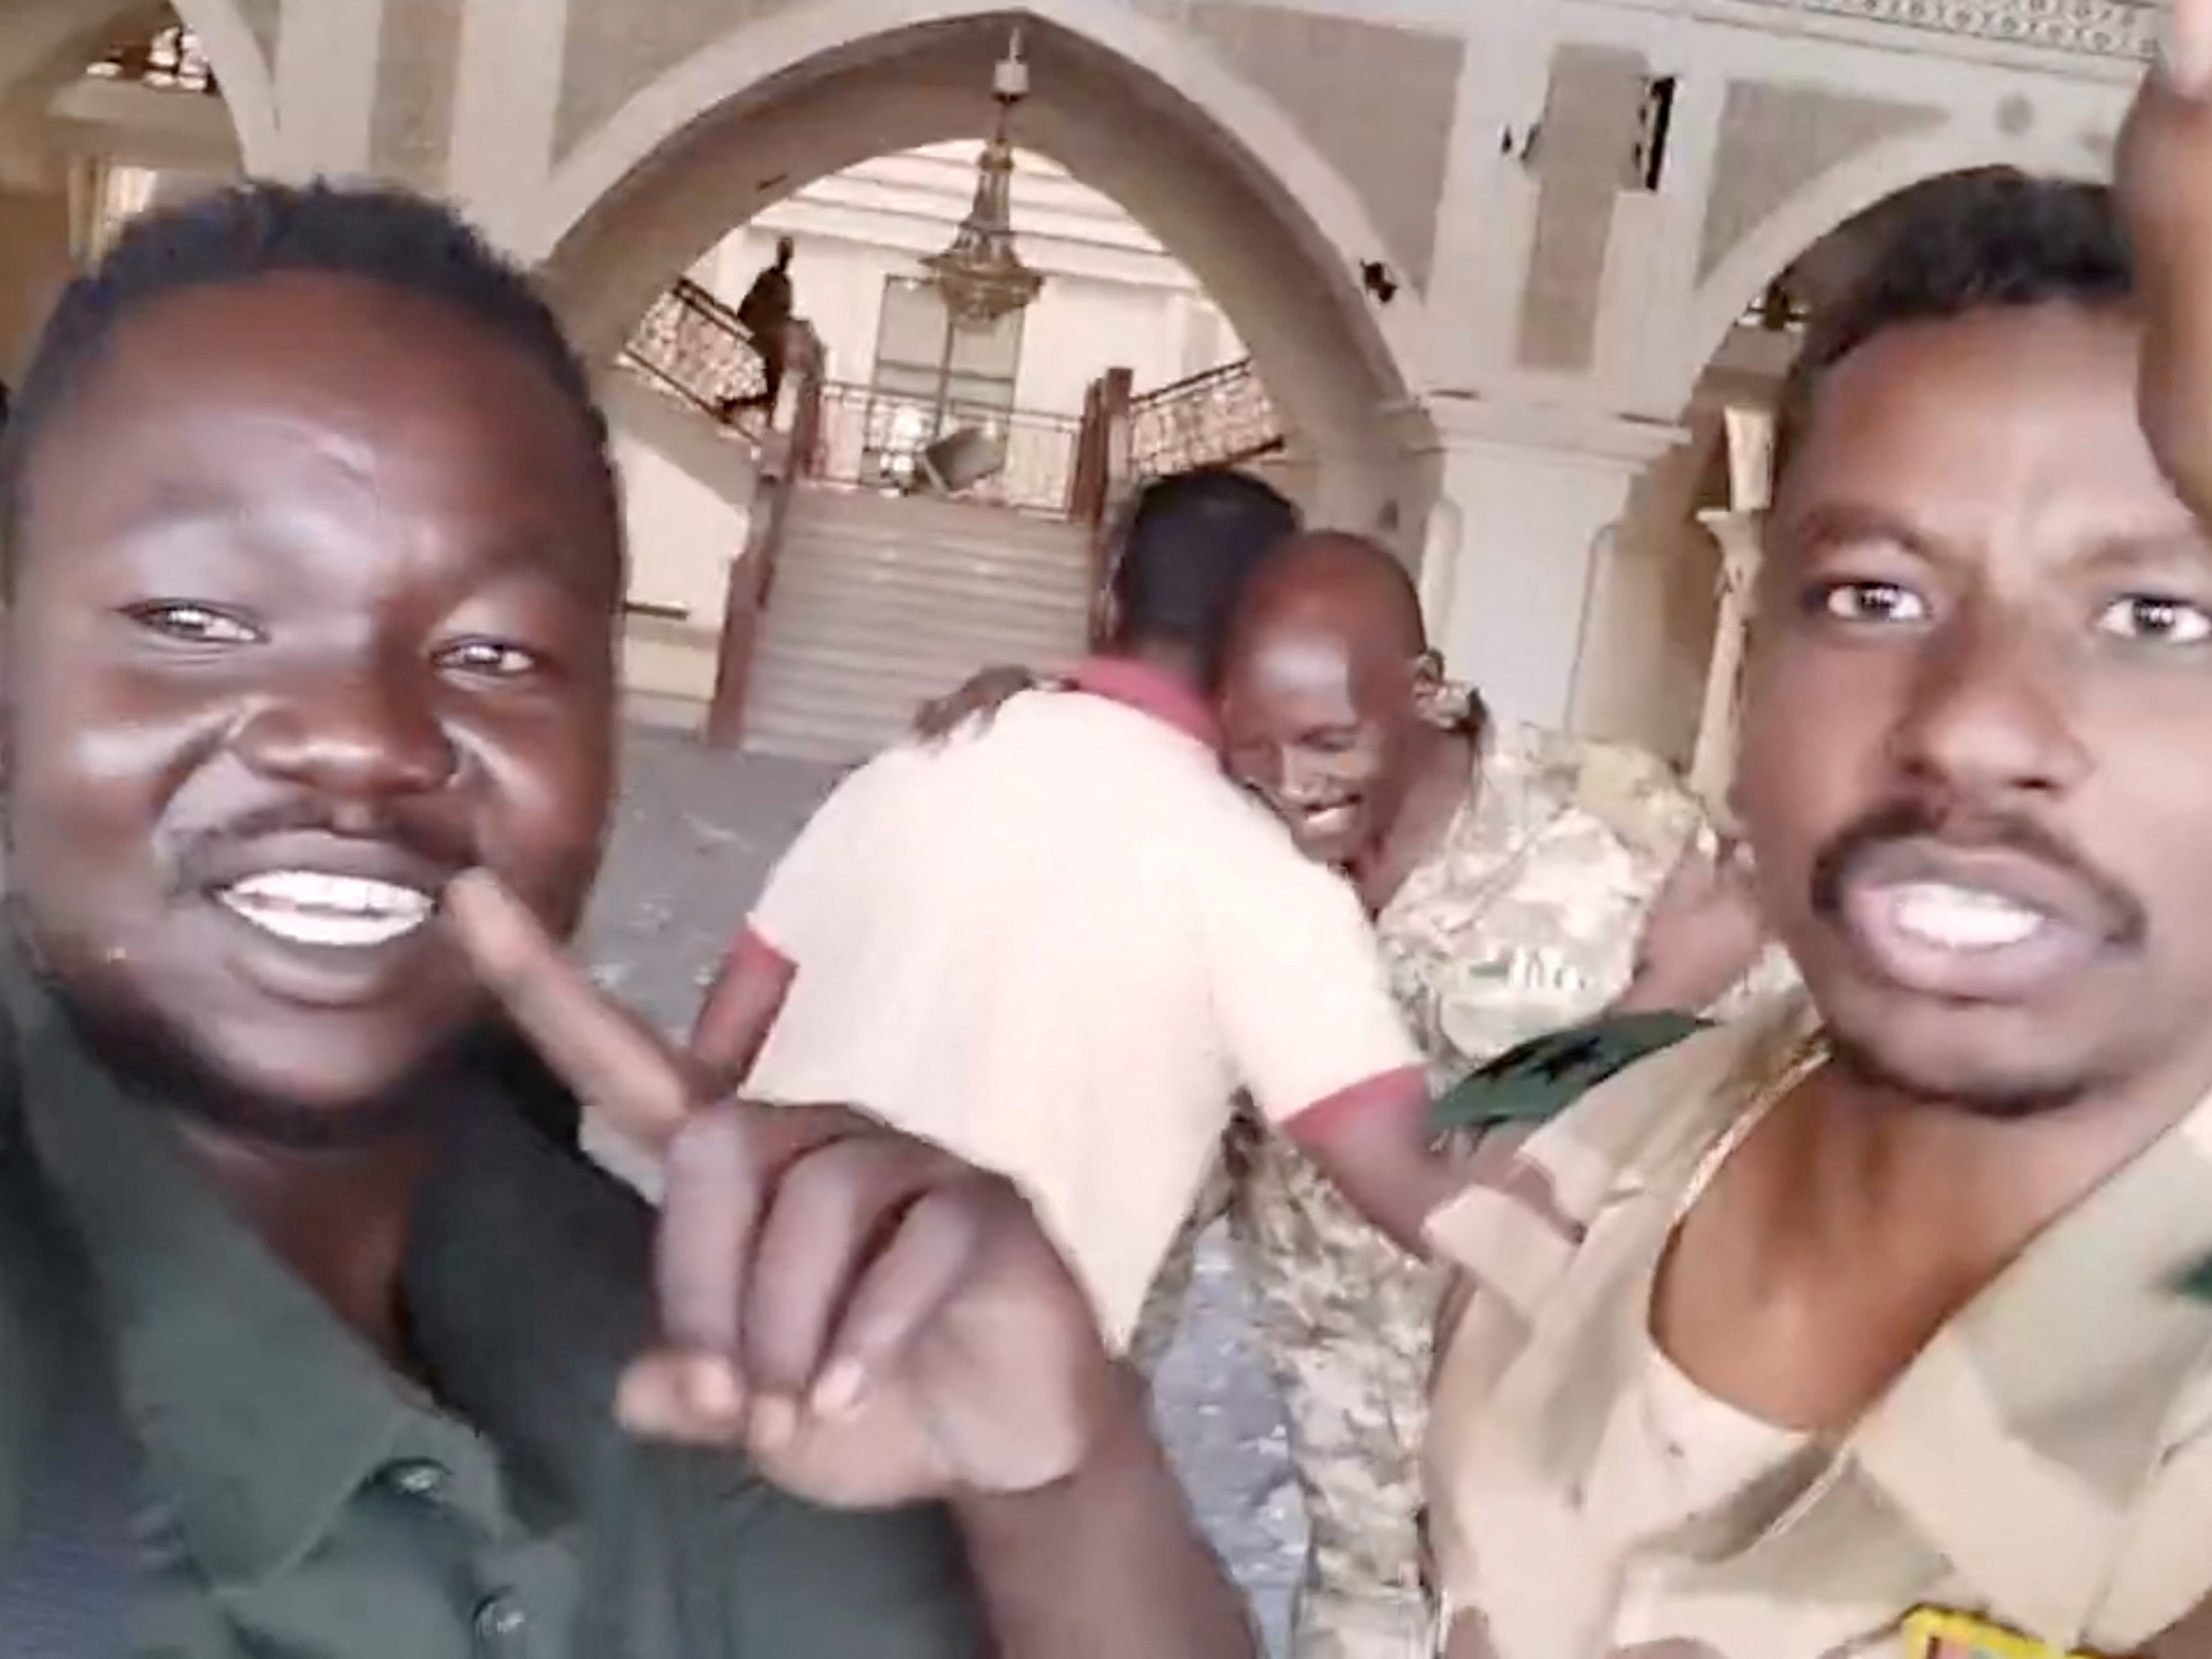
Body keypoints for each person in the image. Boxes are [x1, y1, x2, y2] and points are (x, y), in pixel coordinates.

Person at [0, 179, 1255, 1656]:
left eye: (492, 648)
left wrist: (1064, 1478)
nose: (358, 738)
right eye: (197, 622)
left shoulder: (711, 1366)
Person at [1421, 28, 2212, 1655]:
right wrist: (1062, 1480)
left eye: (2153, 615)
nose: (1972, 724)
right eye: (1875, 598)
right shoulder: (1577, 1185)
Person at [918, 531, 1784, 1654]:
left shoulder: (1621, 844)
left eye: (1331, 741)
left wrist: (1666, 994)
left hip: (1583, 1547)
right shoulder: (1223, 857)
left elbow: (1767, 1117)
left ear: (1424, 692)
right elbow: (1148, 1184)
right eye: (1256, 749)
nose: (1293, 786)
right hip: (1362, 1575)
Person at [690, 468, 1472, 1366]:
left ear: (1109, 589)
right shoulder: (1265, 877)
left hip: (759, 1308)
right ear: (1267, 638)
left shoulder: (919, 763)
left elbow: (719, 1047)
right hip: (978, 1398)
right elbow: (1421, 1199)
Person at [730, 235, 796, 415]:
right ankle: (734, 406)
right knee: (769, 387)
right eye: (785, 253)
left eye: (788, 255)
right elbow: (751, 302)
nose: (786, 258)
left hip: (771, 338)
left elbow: (754, 303)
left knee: (772, 390)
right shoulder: (771, 279)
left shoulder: (783, 283)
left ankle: (735, 406)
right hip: (766, 337)